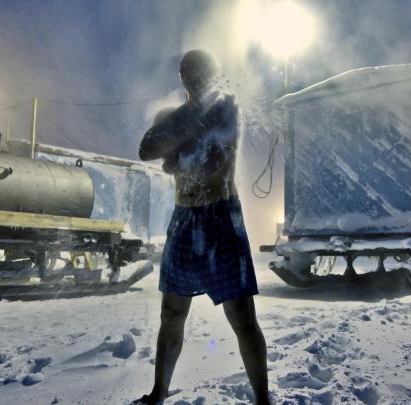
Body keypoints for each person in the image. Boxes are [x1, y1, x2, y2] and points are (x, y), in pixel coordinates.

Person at [136, 50, 270, 405]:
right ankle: (159, 393)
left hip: (222, 216)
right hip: (185, 219)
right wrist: (186, 127)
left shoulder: (226, 107)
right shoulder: (178, 115)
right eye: (188, 72)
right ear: (181, 77)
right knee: (172, 312)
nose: (194, 77)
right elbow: (146, 150)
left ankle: (263, 399)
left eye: (201, 71)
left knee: (241, 316)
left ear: (213, 74)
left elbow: (211, 162)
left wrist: (177, 151)